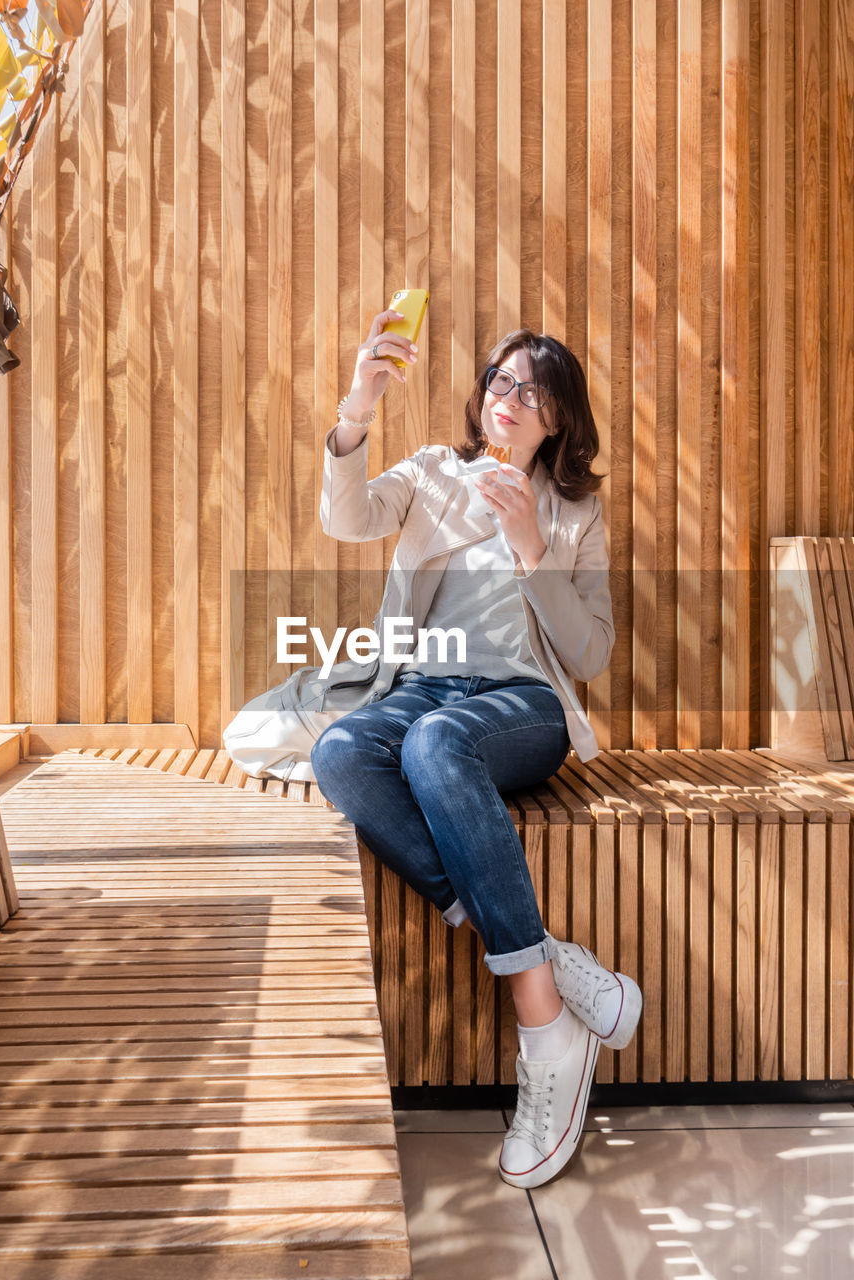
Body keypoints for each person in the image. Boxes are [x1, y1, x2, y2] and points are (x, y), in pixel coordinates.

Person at [308, 307, 643, 1189]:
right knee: (342, 751)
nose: (511, 397)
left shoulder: (575, 513)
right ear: (483, 395)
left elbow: (591, 655)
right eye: (502, 381)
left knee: (438, 744)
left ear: (557, 419)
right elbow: (346, 520)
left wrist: (533, 547)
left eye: (533, 391)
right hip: (423, 686)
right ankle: (550, 964)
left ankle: (544, 1028)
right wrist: (357, 406)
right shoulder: (432, 474)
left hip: (521, 704)